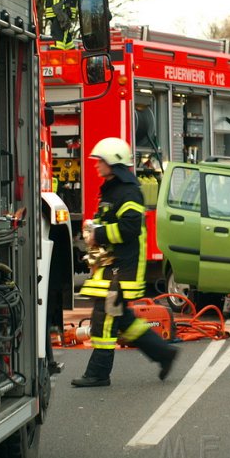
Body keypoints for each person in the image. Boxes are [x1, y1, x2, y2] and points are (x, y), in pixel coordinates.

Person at [72, 137, 178, 387]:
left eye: (101, 161)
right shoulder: (112, 189)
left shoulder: (128, 191)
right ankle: (164, 353)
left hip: (121, 271)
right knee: (122, 319)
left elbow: (130, 228)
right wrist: (93, 228)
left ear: (113, 163)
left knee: (105, 318)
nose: (96, 165)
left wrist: (98, 234)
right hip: (113, 268)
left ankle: (98, 373)